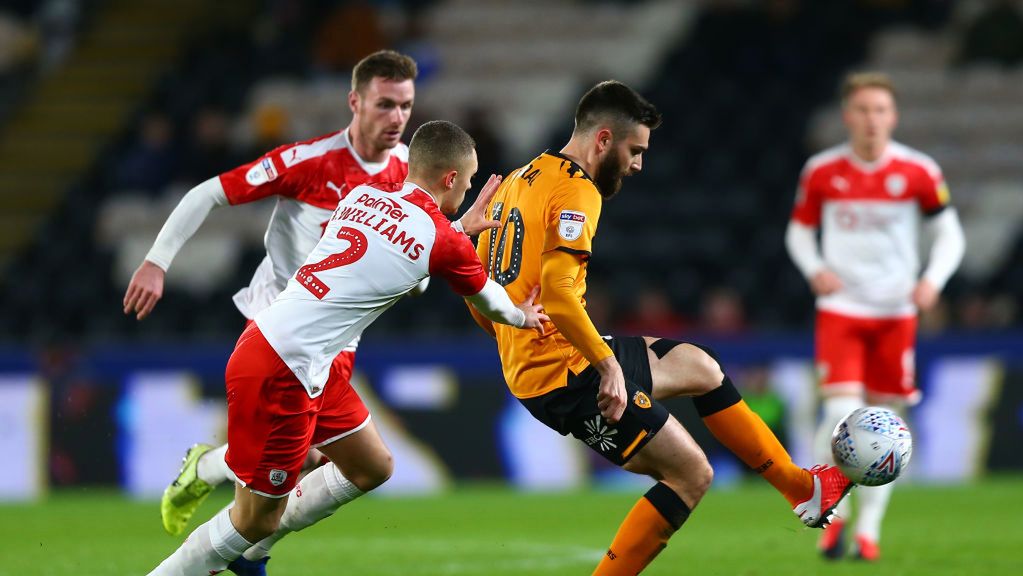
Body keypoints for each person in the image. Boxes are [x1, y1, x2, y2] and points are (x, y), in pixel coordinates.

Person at [470, 80, 853, 576]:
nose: (638, 164)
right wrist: (605, 367)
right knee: (691, 474)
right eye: (635, 150)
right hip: (566, 375)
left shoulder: (522, 178)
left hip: (550, 358)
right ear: (603, 139)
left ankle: (804, 489)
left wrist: (513, 332)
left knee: (701, 367)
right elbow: (561, 295)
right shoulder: (577, 190)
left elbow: (477, 289)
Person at [146, 120, 548, 575]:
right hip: (286, 370)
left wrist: (454, 228)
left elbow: (393, 263)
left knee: (372, 465)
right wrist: (523, 315)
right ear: (450, 179)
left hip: (284, 349)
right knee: (256, 519)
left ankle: (245, 541)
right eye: (470, 180)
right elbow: (489, 300)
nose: (472, 187)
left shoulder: (361, 198)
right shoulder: (443, 240)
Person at [121, 50, 420, 543]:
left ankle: (210, 475)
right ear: (354, 101)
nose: (397, 118)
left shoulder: (409, 169)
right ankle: (237, 548)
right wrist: (157, 262)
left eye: (406, 106)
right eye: (385, 104)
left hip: (339, 339)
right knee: (315, 465)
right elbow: (208, 193)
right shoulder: (307, 162)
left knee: (317, 464)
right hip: (279, 324)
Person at [785, 72, 965, 561]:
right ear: (848, 116)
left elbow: (950, 235)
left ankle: (869, 532)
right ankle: (832, 517)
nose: (872, 119)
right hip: (842, 309)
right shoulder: (822, 171)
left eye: (880, 110)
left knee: (890, 428)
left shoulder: (917, 171)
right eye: (863, 110)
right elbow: (798, 233)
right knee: (840, 416)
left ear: (894, 116)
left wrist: (932, 281)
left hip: (894, 312)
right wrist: (815, 268)